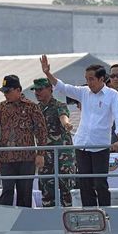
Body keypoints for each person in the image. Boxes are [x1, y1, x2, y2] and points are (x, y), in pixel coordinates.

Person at [40, 56, 118, 206]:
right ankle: (89, 212)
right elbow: (63, 87)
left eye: (92, 79)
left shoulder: (112, 95)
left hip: (100, 145)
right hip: (81, 144)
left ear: (101, 79)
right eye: (87, 79)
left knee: (100, 183)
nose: (89, 82)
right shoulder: (84, 92)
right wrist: (48, 73)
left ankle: (106, 211)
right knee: (85, 183)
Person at [0, 75, 48, 208]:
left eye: (8, 91)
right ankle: (5, 221)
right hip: (7, 159)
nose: (6, 95)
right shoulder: (0, 108)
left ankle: (25, 224)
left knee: (25, 193)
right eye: (4, 92)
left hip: (26, 158)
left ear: (18, 90)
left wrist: (40, 153)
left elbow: (41, 131)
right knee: (7, 191)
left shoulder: (31, 107)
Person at [31, 77, 75, 207]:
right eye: (35, 90)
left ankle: (69, 219)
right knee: (46, 190)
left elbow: (63, 116)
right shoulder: (35, 109)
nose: (37, 93)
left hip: (62, 156)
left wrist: (66, 124)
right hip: (44, 155)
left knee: (67, 190)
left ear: (50, 89)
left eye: (40, 89)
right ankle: (48, 219)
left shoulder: (59, 105)